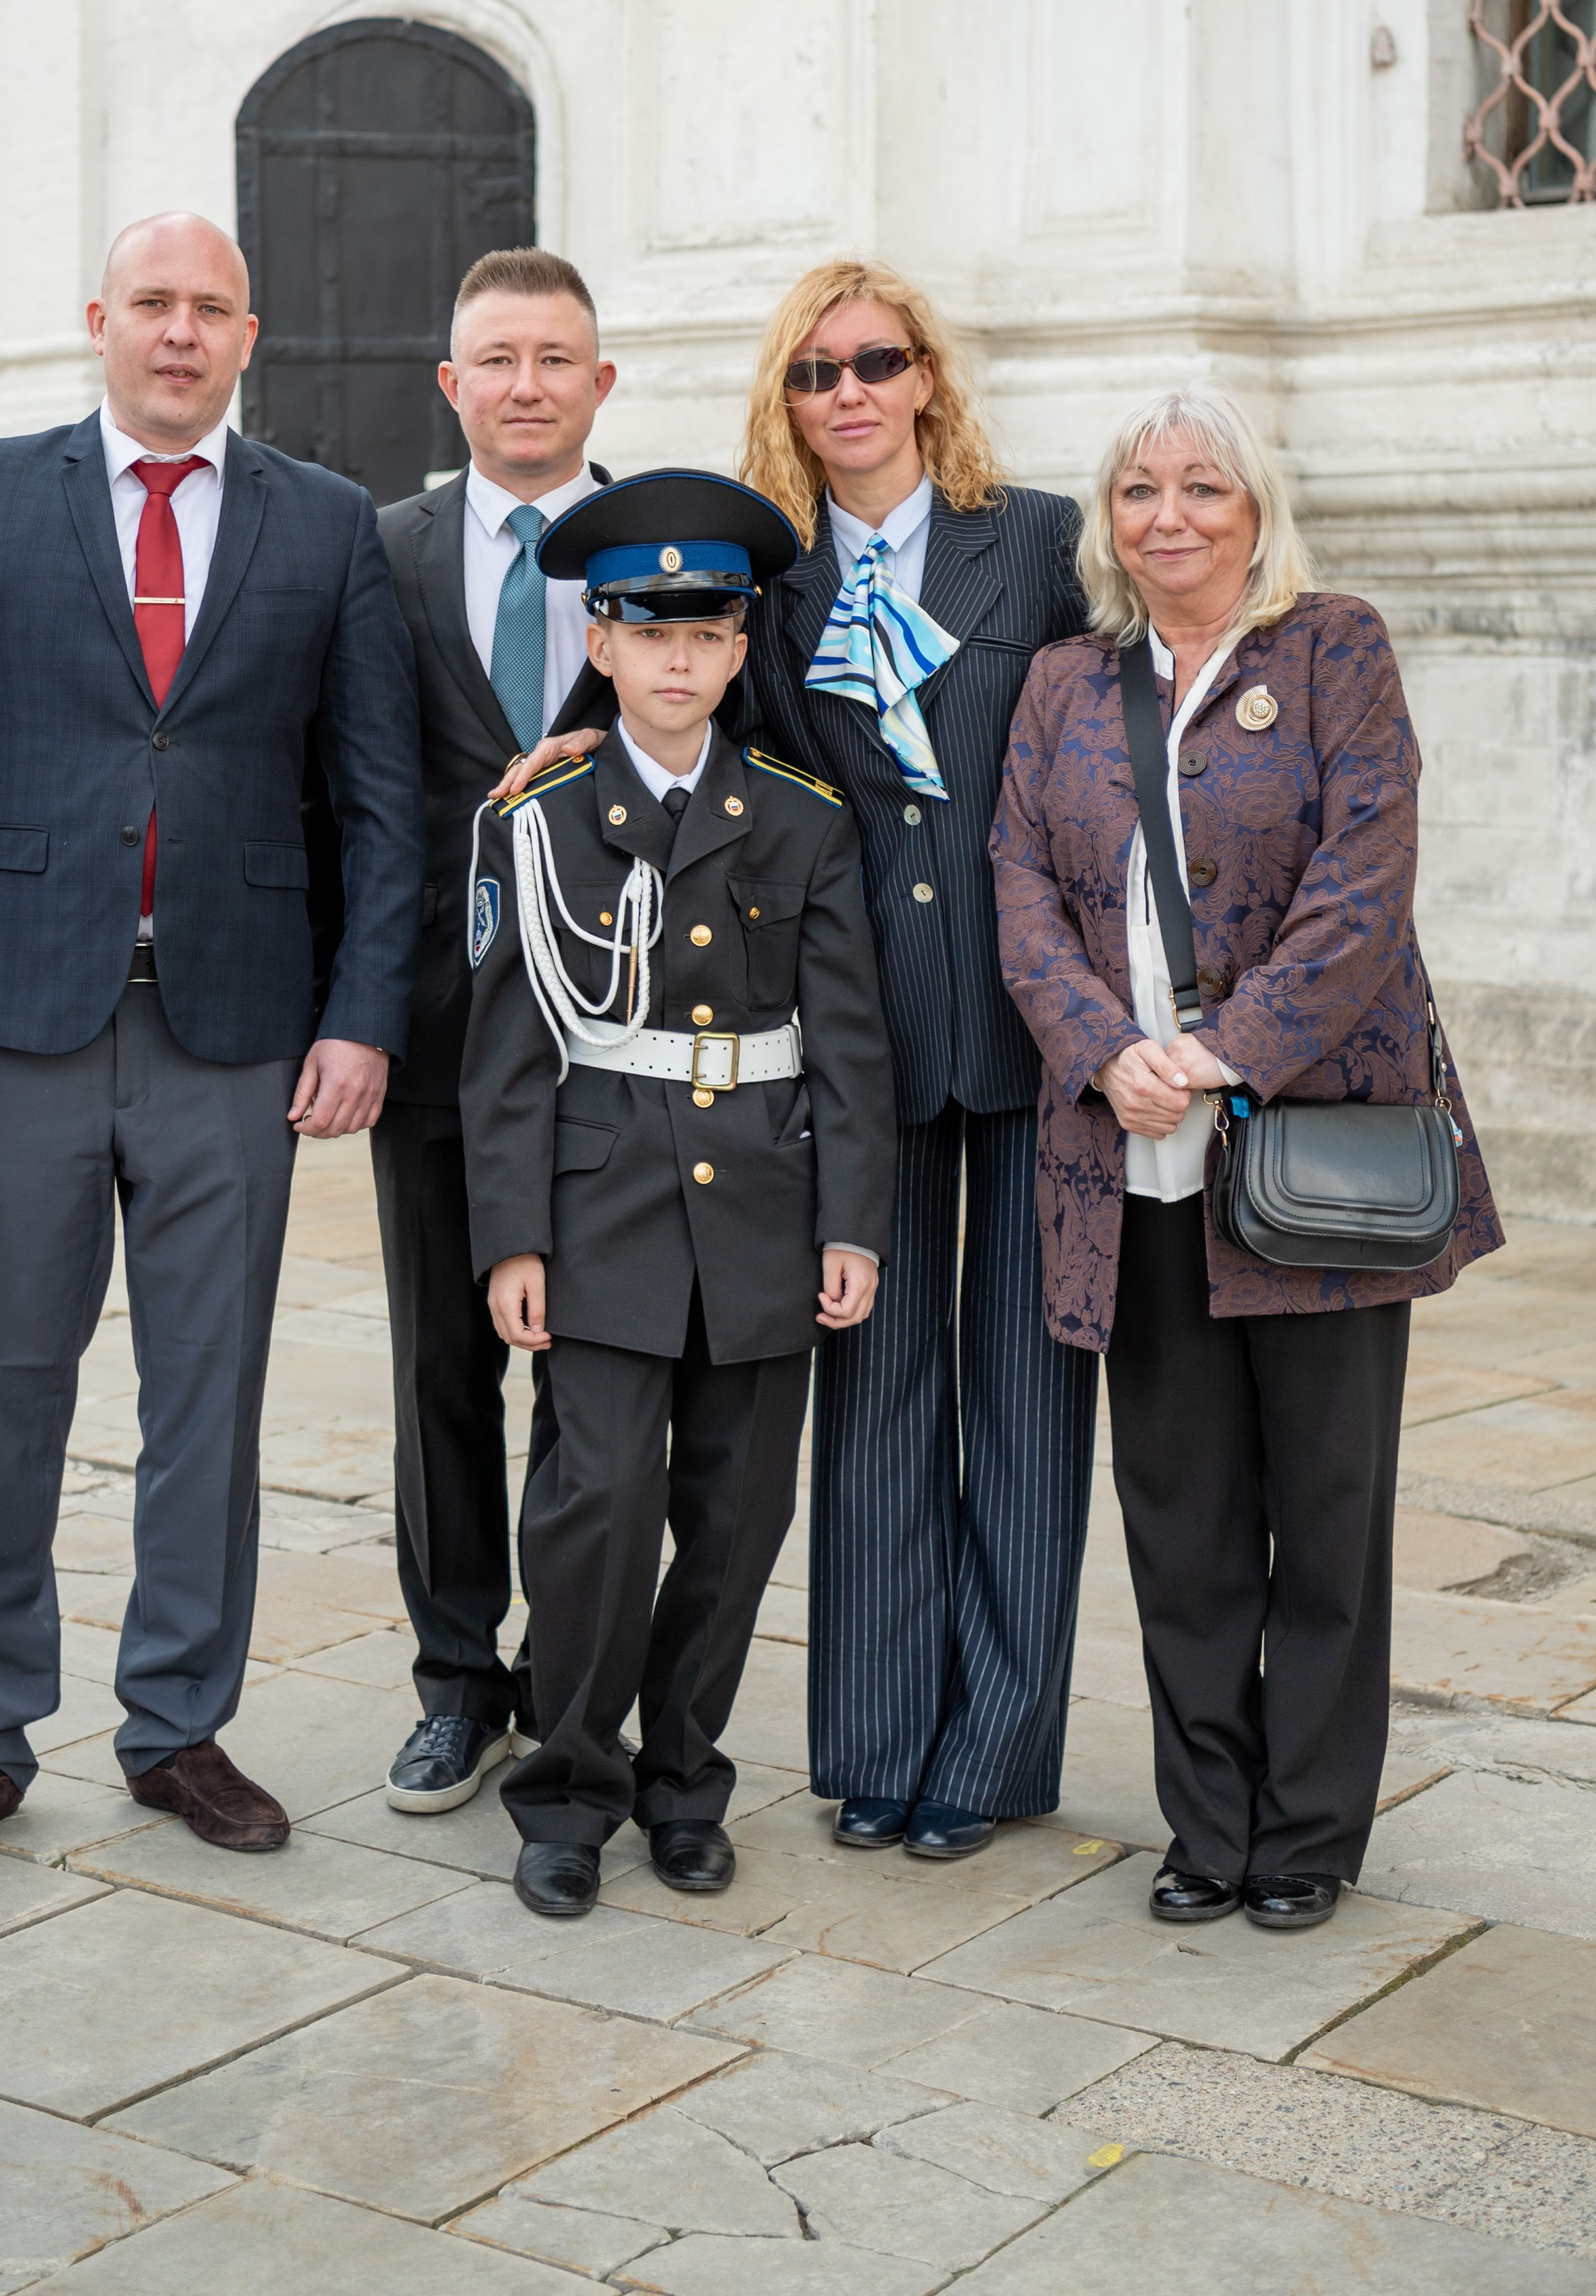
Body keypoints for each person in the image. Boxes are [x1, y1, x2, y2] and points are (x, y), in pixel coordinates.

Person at [0, 212, 422, 1879]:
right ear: (99, 319)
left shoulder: (324, 527)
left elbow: (382, 806)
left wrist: (359, 1013)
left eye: (210, 309)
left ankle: (175, 1721)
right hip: (8, 1023)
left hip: (235, 1032)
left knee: (206, 1400)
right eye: (151, 304)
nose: (179, 332)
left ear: (252, 336)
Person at [992, 387, 1502, 1931]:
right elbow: (1018, 883)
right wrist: (1102, 1046)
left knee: (1328, 1512)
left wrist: (1217, 1050)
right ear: (1107, 521)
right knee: (1182, 1514)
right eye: (1139, 489)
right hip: (1131, 1161)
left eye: (1204, 485)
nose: (1170, 516)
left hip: (1309, 1157)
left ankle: (1312, 1835)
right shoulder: (1066, 680)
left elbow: (1366, 884)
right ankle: (1207, 1823)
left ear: (1255, 506)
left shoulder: (1333, 644)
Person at [464, 473, 896, 1918]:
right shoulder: (547, 821)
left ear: (736, 646)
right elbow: (511, 1054)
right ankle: (569, 1789)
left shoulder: (799, 818)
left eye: (705, 632)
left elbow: (848, 1041)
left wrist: (854, 1219)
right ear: (599, 642)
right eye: (646, 631)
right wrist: (512, 1237)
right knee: (592, 1510)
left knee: (737, 1514)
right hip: (601, 1213)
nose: (675, 659)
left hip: (765, 1213)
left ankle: (685, 1777)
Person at [728, 260, 1096, 1861]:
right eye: (816, 371)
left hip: (1031, 1024)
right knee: (872, 1386)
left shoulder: (1030, 540)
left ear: (928, 377)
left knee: (1025, 1394)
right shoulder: (763, 581)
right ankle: (878, 1735)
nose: (850, 390)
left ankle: (994, 1747)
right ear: (785, 400)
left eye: (879, 360)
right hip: (852, 1039)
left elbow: (1106, 750)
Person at [372, 249, 618, 1812]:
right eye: (495, 358)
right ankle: (456, 1678)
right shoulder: (372, 547)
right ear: (450, 384)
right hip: (432, 1032)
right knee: (442, 1367)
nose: (525, 382)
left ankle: (573, 1678)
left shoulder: (666, 541)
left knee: (591, 1376)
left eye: (554, 356)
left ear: (600, 380)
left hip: (620, 1037)